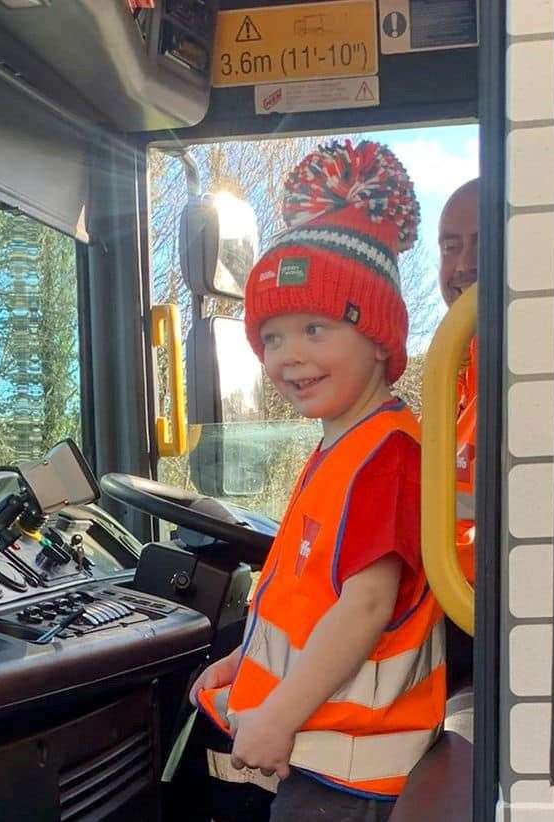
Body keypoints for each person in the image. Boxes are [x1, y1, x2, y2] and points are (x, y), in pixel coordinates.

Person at [194, 141, 447, 820]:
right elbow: (304, 600)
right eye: (271, 338)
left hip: (349, 768)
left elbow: (364, 607)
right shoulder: (340, 448)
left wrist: (275, 715)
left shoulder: (386, 455)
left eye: (314, 327)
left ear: (378, 339)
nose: (289, 356)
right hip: (317, 749)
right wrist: (246, 672)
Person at [438, 178, 479, 585]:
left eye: (484, 242)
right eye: (451, 246)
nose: (465, 264)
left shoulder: (533, 381)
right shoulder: (452, 376)